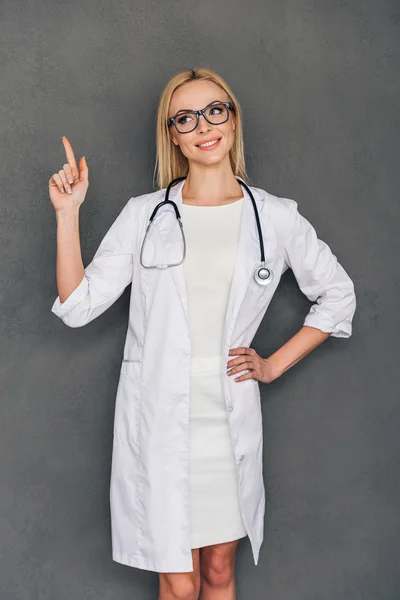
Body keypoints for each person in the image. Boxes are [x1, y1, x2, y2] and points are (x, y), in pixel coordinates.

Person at [49, 67, 356, 600]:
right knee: (179, 578)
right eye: (185, 118)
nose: (203, 126)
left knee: (217, 573)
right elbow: (78, 306)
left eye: (216, 110)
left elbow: (338, 295)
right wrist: (68, 215)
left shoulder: (276, 218)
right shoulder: (145, 215)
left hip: (226, 418)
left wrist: (273, 364)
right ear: (173, 134)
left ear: (232, 120)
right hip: (159, 416)